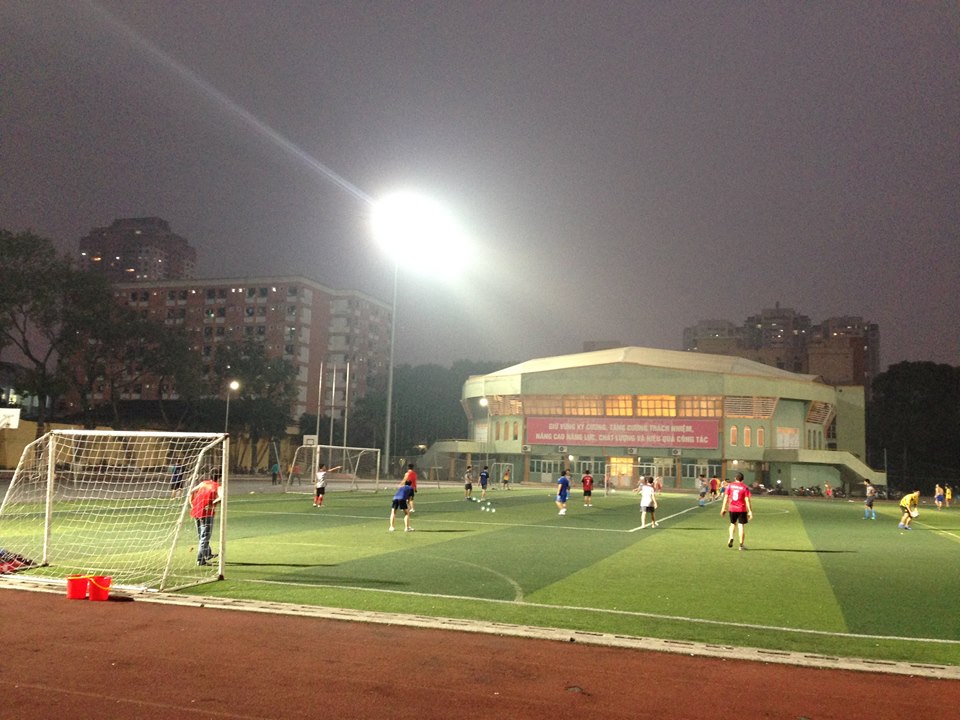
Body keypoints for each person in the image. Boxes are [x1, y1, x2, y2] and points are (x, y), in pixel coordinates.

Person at [189, 471, 223, 566]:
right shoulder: (217, 486)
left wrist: (191, 503)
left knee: (201, 535)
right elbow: (221, 497)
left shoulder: (203, 483)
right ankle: (200, 560)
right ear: (219, 477)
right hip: (207, 513)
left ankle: (207, 554)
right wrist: (213, 503)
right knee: (205, 537)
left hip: (196, 511)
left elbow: (191, 491)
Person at [720, 471, 753, 550]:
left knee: (732, 524)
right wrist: (750, 511)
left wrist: (723, 508)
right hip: (742, 509)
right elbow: (747, 500)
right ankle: (741, 545)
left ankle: (731, 537)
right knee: (741, 526)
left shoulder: (730, 486)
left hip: (732, 508)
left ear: (735, 478)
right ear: (742, 480)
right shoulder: (745, 487)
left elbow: (726, 498)